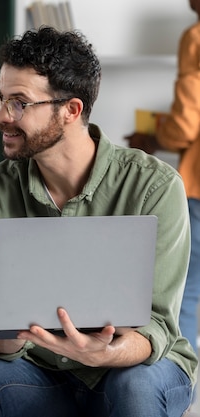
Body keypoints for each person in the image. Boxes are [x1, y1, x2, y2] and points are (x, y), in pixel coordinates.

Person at [0, 27, 198, 417]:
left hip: (133, 368)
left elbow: (157, 324)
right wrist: (8, 337)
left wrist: (108, 352)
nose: (1, 115)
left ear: (71, 110)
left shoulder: (154, 186)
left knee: (136, 385)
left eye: (19, 102)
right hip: (39, 371)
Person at [125, 0, 200, 356]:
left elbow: (185, 126)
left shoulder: (196, 36)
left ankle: (178, 394)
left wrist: (152, 137)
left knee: (185, 291)